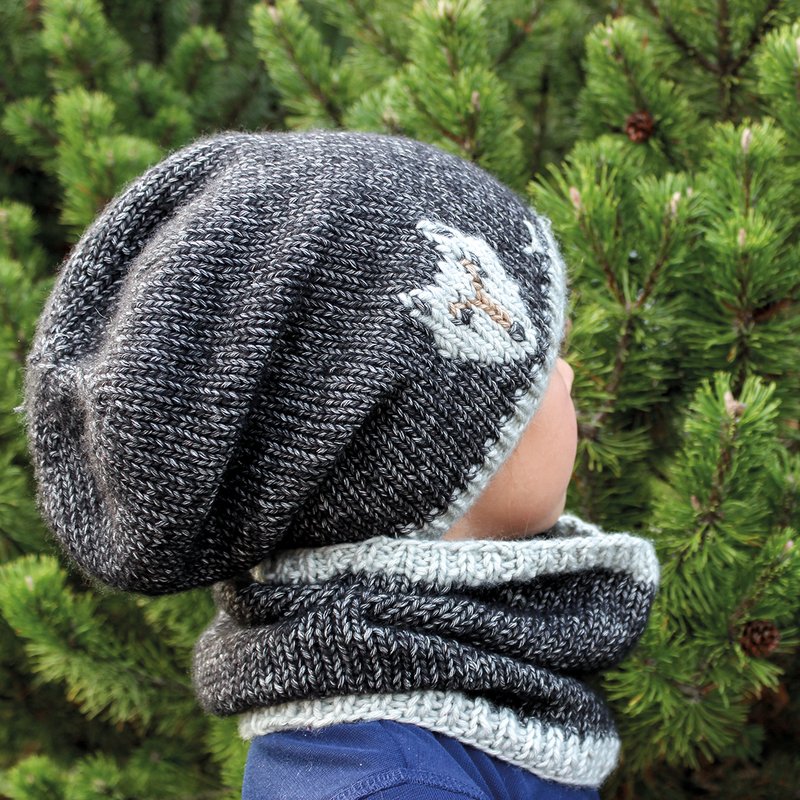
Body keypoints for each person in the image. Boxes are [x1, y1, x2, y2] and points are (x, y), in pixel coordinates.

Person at [20, 130, 659, 799]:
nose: (568, 375)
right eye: (537, 364)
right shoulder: (387, 784)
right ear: (415, 461)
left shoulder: (445, 703)